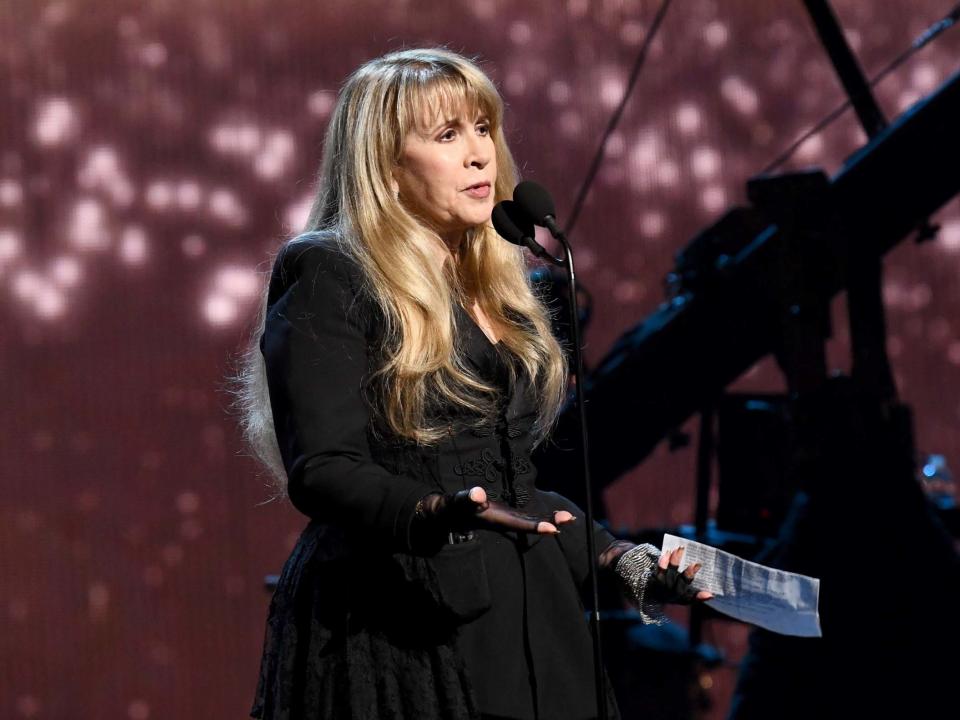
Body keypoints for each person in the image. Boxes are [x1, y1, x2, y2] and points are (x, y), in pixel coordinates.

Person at [238, 48, 710, 720]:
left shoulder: (496, 283)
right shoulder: (332, 272)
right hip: (404, 614)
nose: (479, 154)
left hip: (534, 632)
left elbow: (510, 488)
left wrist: (615, 557)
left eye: (483, 129)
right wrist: (434, 510)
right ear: (386, 165)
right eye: (446, 135)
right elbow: (323, 467)